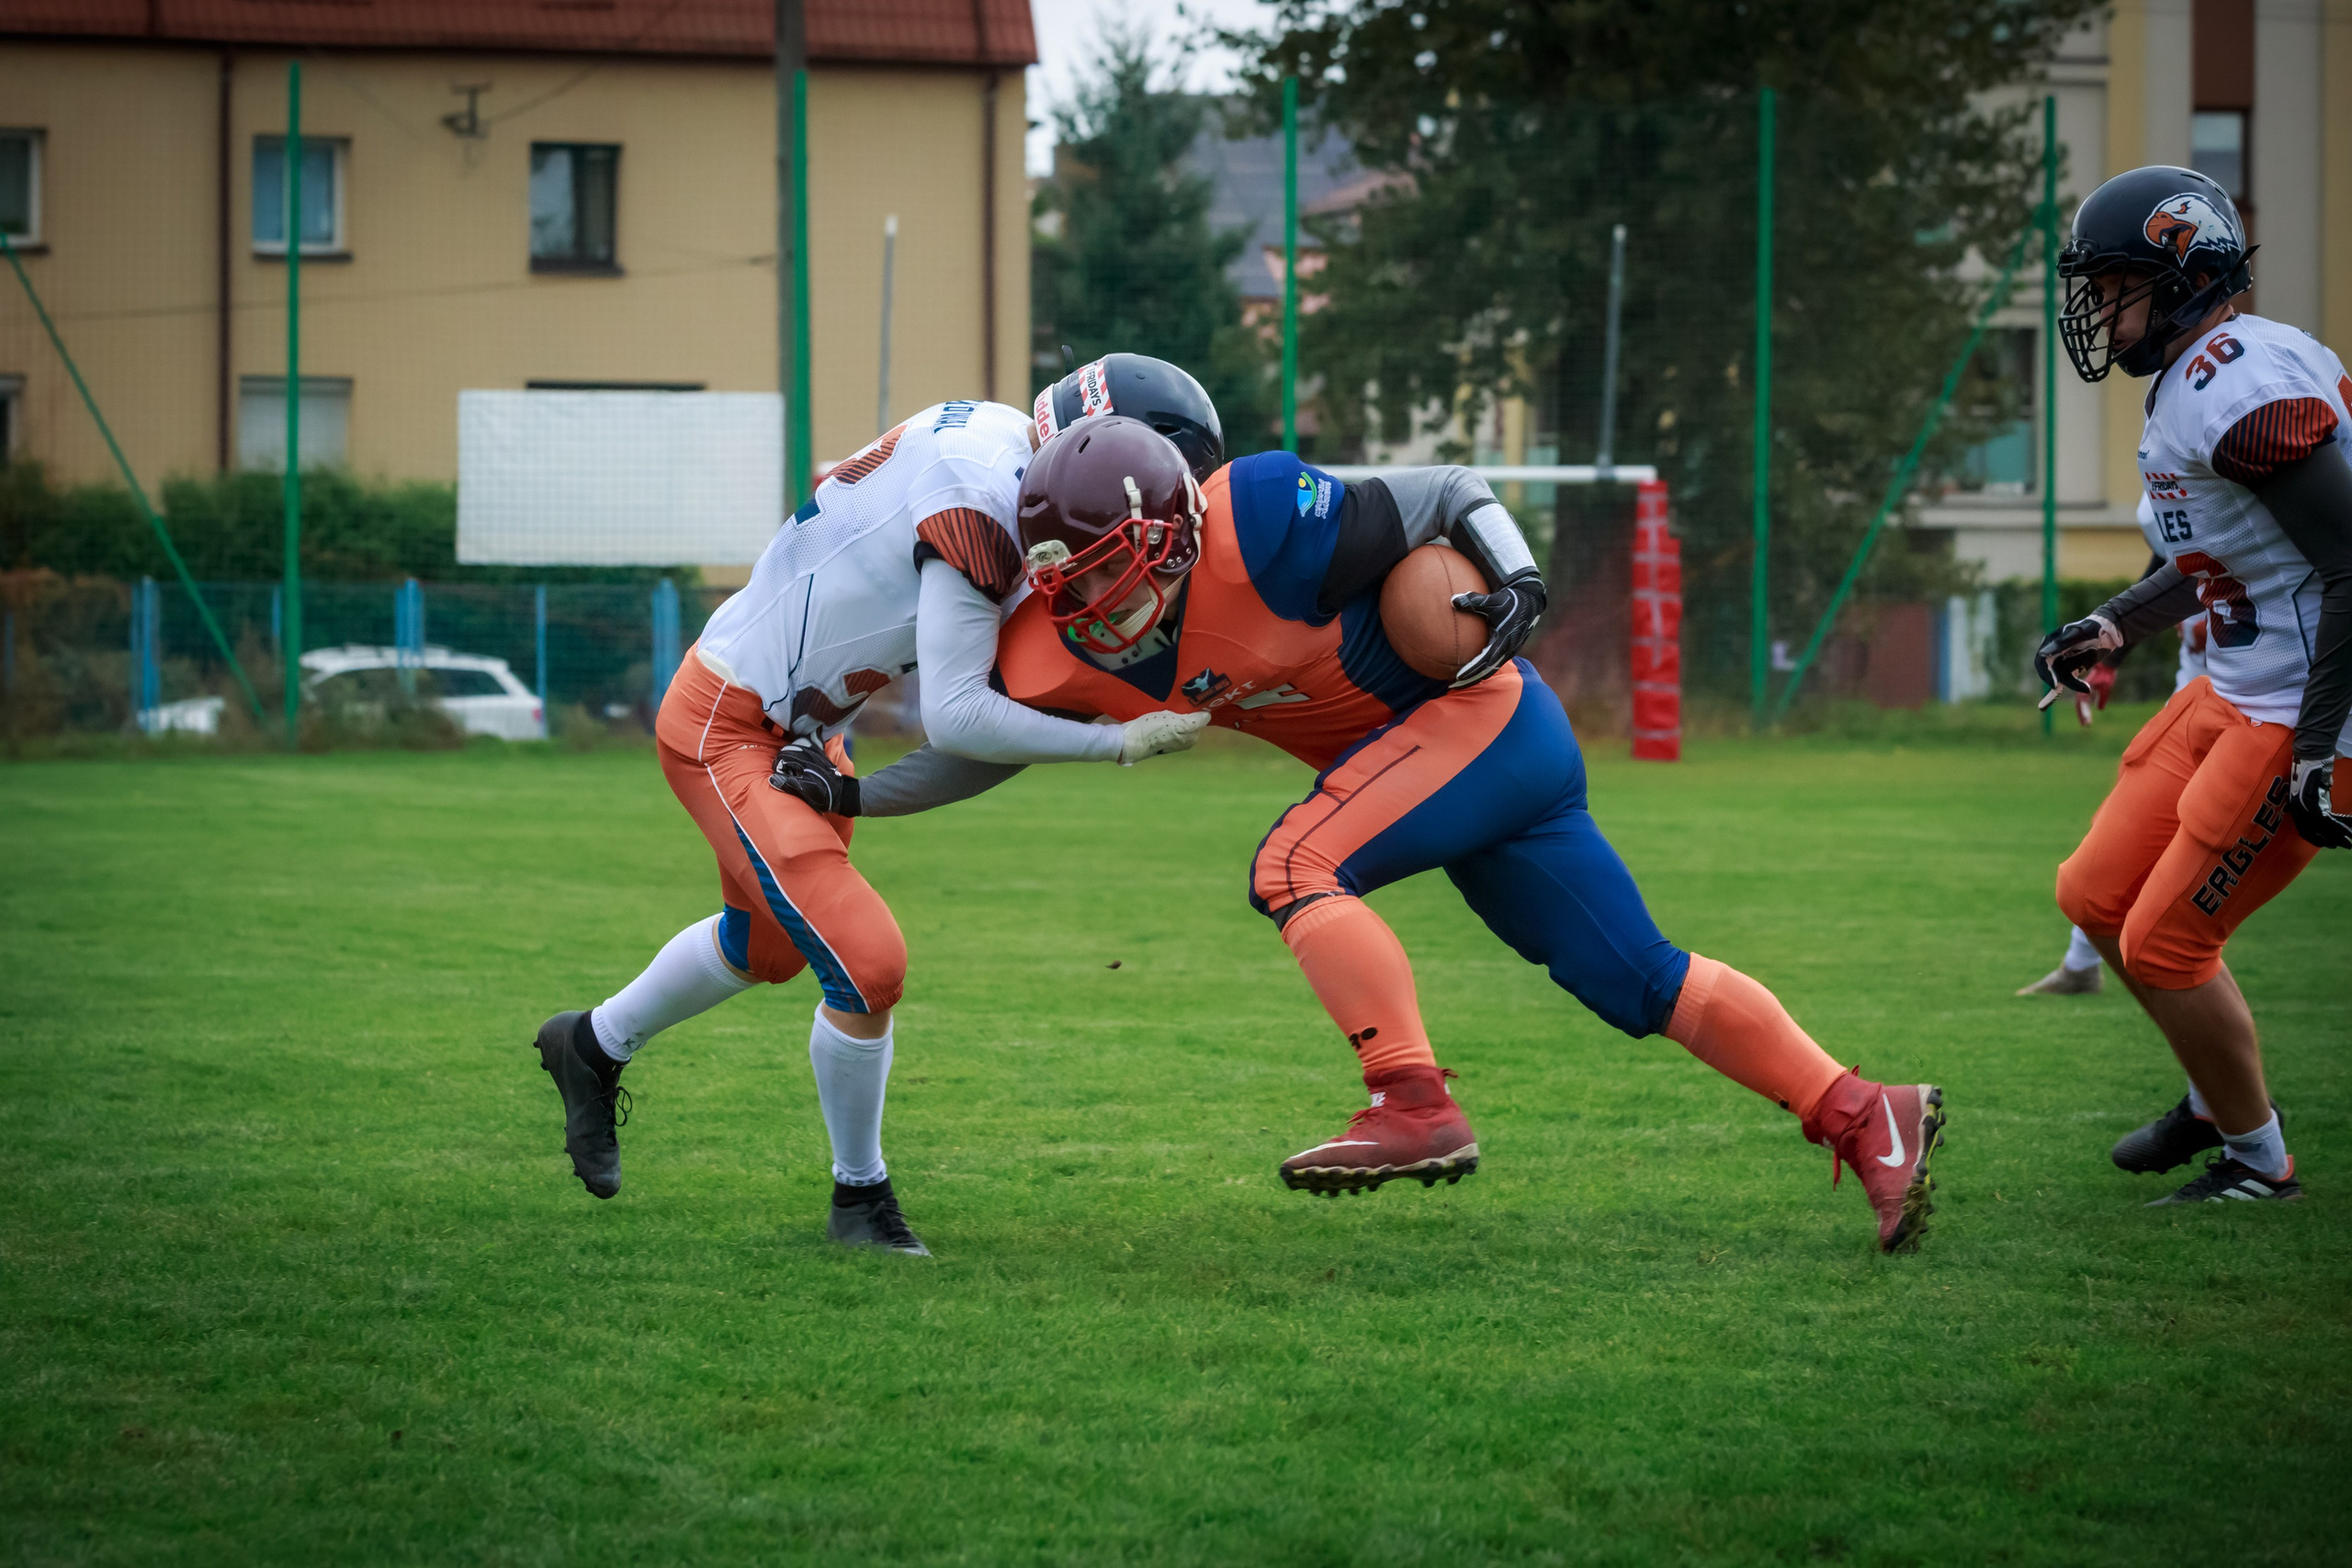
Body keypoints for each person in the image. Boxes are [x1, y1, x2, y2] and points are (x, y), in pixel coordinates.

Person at [787, 418, 1949, 1253]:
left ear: (1171, 528)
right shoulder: (1078, 644)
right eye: (1069, 582)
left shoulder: (1262, 522)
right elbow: (979, 748)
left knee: (1295, 862)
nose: (1097, 606)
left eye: (1109, 569)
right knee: (1633, 978)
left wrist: (1520, 575)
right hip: (1467, 764)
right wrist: (858, 798)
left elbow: (1444, 488)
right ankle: (1861, 1109)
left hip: (1479, 717)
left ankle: (1410, 1100)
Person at [534, 360, 1226, 1255]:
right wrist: (1113, 742)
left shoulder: (1002, 452)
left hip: (806, 731)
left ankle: (589, 1044)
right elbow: (958, 715)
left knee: (770, 949)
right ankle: (859, 1200)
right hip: (731, 720)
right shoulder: (980, 503)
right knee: (867, 962)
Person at [2036, 164, 2352, 1204]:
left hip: (2299, 705)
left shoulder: (2233, 379)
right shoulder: (2196, 376)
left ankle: (2258, 1162)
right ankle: (2212, 1097)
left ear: (2180, 275)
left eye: (2114, 285)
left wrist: (2317, 748)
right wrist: (2108, 622)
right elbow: (2226, 554)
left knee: (2167, 941)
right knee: (2095, 893)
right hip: (2232, 685)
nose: (2097, 310)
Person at [2017, 498, 2210, 998]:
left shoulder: (2245, 447)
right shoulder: (2170, 468)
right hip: (2195, 697)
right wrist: (2110, 655)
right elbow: (2174, 565)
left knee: (2185, 907)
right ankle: (2082, 964)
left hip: (2270, 707)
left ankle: (2089, 965)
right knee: (2110, 847)